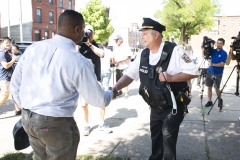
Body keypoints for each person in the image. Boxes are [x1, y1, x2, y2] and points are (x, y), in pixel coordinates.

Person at [10, 10, 113, 160]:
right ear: (78, 29)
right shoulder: (78, 61)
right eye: (83, 29)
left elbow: (15, 83)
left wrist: (25, 106)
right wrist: (112, 91)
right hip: (55, 124)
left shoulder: (34, 48)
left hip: (29, 118)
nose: (84, 33)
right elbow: (98, 100)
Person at [111, 18, 198, 160]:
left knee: (167, 139)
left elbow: (194, 71)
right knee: (156, 138)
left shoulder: (174, 50)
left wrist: (171, 78)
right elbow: (130, 74)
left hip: (173, 106)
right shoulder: (143, 54)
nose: (141, 36)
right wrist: (115, 88)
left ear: (156, 35)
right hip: (155, 106)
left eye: (145, 33)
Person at [79, 27, 112, 136]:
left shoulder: (96, 45)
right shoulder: (79, 45)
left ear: (93, 34)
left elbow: (102, 54)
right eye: (86, 33)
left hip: (96, 78)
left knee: (101, 101)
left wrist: (90, 44)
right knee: (84, 104)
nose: (88, 35)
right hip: (83, 80)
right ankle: (86, 124)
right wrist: (79, 43)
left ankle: (101, 123)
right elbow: (73, 54)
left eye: (90, 33)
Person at [204, 38, 227, 111]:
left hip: (218, 74)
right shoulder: (213, 51)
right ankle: (210, 101)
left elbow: (222, 64)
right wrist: (204, 46)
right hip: (210, 72)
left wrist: (212, 64)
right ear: (216, 43)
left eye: (220, 43)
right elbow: (205, 55)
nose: (219, 44)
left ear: (223, 44)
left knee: (217, 88)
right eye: (218, 43)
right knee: (209, 87)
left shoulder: (224, 53)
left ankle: (220, 100)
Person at [0, 37, 16, 107]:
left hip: (9, 77)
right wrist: (13, 60)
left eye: (9, 42)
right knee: (5, 95)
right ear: (2, 44)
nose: (9, 44)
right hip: (4, 77)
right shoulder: (2, 53)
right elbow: (5, 66)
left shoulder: (7, 52)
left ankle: (18, 110)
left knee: (14, 93)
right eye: (6, 43)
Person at [11, 44, 22, 115]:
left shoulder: (19, 57)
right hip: (12, 76)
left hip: (18, 78)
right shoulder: (11, 56)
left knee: (16, 92)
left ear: (17, 49)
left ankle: (19, 109)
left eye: (13, 49)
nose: (12, 50)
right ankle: (18, 109)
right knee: (13, 94)